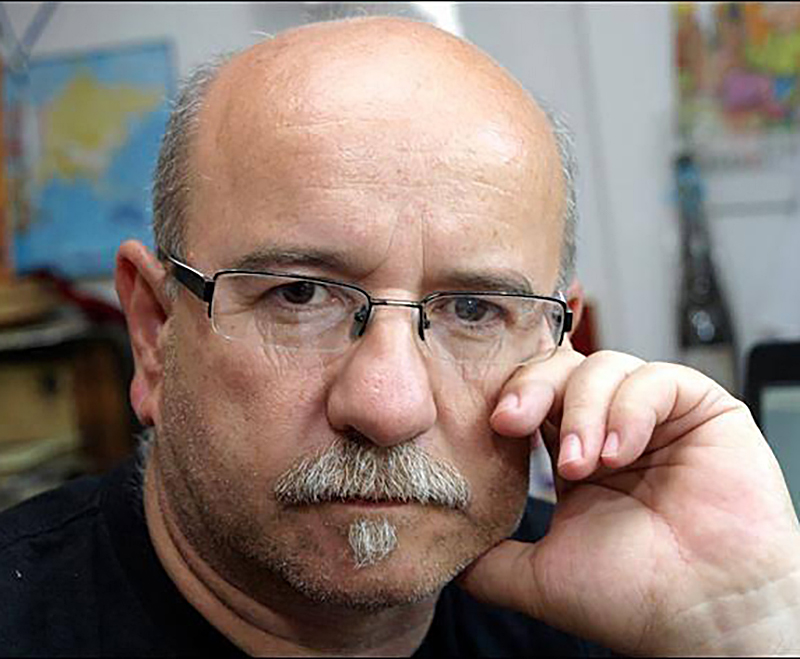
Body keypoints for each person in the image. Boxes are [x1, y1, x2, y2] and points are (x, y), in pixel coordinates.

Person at [2, 16, 799, 657]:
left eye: (475, 310)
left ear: (555, 343)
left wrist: (747, 632)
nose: (388, 405)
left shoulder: (627, 609)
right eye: (299, 293)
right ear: (154, 330)